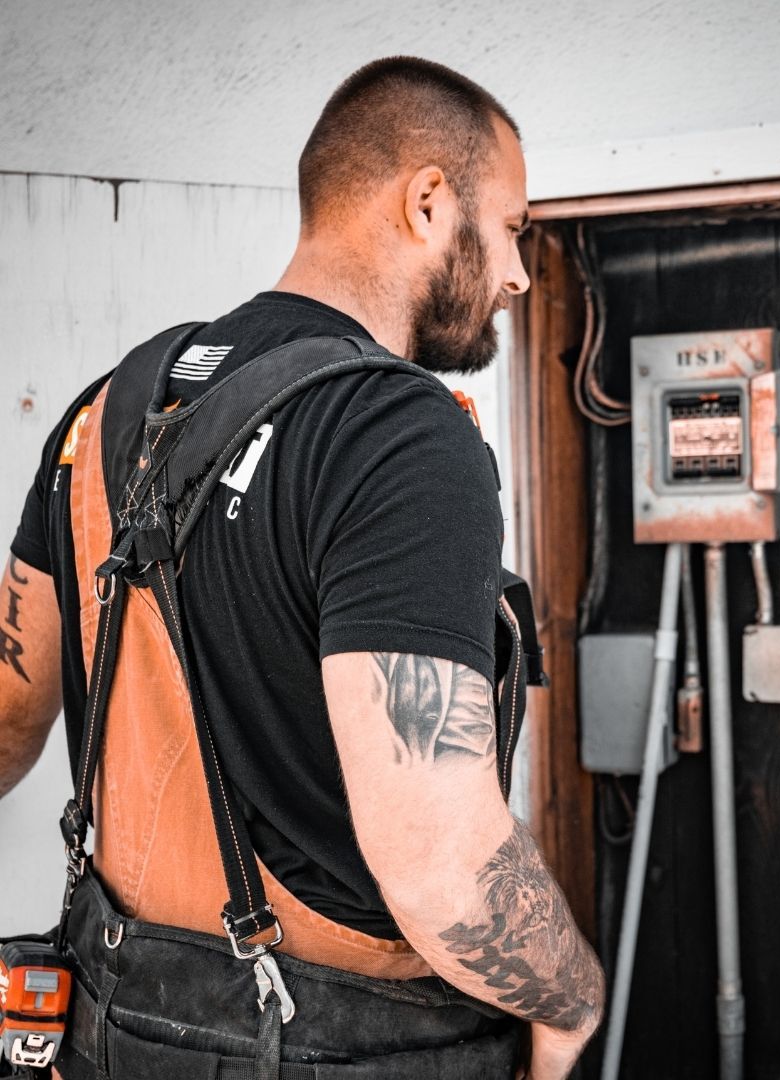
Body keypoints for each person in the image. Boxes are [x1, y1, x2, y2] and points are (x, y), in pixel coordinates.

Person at [0, 56, 603, 1079]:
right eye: (513, 230)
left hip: (117, 1025)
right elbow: (441, 859)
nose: (517, 275)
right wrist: (569, 997)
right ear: (427, 201)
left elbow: (7, 719)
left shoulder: (107, 413)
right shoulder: (402, 434)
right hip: (344, 1040)